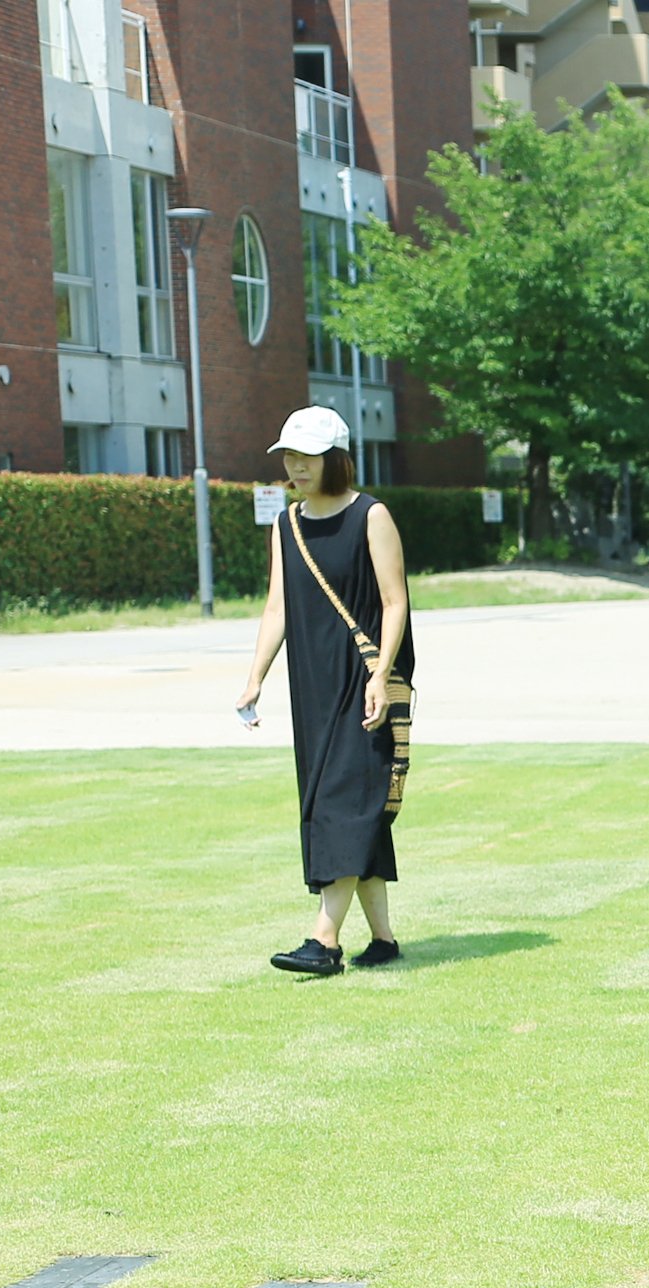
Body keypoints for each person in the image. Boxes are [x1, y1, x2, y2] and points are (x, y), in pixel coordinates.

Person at [234, 406, 412, 976]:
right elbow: (277, 608)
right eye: (288, 456)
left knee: (345, 801)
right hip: (312, 683)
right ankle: (383, 939)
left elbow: (395, 602)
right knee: (340, 801)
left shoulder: (370, 515)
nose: (295, 466)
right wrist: (255, 677)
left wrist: (381, 675)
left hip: (363, 681)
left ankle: (324, 941)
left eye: (307, 456)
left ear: (335, 458)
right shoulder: (286, 524)